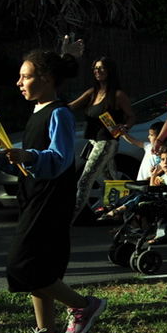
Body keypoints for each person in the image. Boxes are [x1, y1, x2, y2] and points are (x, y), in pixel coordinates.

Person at [0, 47, 107, 333]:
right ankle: (45, 332)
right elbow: (27, 164)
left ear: (45, 79)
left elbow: (59, 159)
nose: (19, 82)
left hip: (50, 201)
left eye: (25, 76)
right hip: (34, 197)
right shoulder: (37, 111)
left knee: (22, 266)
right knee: (40, 266)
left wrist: (26, 155)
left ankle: (84, 306)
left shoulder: (59, 112)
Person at [67, 55, 134, 218]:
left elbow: (131, 116)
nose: (98, 71)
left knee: (84, 180)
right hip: (93, 141)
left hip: (107, 142)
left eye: (102, 68)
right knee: (111, 181)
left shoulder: (118, 95)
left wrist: (125, 126)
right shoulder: (92, 93)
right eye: (95, 68)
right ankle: (128, 216)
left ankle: (70, 218)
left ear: (110, 71)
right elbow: (70, 107)